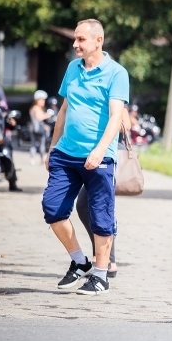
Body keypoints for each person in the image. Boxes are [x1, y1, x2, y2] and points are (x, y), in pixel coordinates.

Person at [42, 18, 129, 296]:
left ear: (98, 41)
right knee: (53, 209)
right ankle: (80, 261)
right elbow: (64, 110)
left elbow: (116, 117)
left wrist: (100, 149)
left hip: (99, 157)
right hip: (66, 153)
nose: (75, 44)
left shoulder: (116, 73)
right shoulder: (72, 68)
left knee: (101, 216)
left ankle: (101, 275)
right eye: (75, 38)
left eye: (81, 39)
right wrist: (52, 147)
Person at [75, 107, 132, 279]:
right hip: (92, 157)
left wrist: (105, 123)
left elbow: (126, 125)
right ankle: (101, 255)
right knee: (85, 206)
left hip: (109, 157)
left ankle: (109, 261)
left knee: (101, 209)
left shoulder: (115, 100)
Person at [29, 90, 51, 164]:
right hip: (38, 129)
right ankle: (39, 158)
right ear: (37, 100)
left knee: (33, 144)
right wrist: (47, 115)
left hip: (33, 128)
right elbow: (39, 118)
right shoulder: (36, 108)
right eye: (41, 100)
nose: (43, 101)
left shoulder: (34, 108)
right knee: (40, 144)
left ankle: (35, 158)